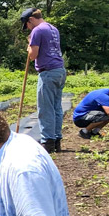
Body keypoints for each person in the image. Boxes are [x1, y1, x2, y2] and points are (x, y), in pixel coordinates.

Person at [21, 8, 66, 153]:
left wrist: (29, 46)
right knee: (56, 107)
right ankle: (56, 140)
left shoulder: (37, 30)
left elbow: (33, 55)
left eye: (26, 25)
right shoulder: (53, 29)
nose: (27, 28)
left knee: (45, 109)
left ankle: (48, 143)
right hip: (60, 70)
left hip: (47, 72)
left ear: (31, 20)